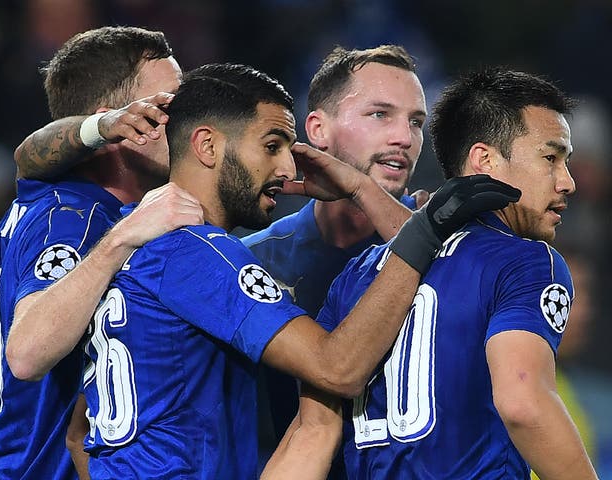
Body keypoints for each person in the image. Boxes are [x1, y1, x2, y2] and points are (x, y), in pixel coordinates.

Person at [79, 62, 519, 479]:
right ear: (208, 145)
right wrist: (424, 231)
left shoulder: (132, 236)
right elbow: (337, 368)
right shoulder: (203, 254)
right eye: (271, 146)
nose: (288, 168)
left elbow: (78, 429)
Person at [310, 67, 599, 479]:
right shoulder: (528, 261)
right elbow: (522, 403)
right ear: (485, 160)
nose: (567, 181)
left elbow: (310, 436)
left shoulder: (356, 275)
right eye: (550, 158)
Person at [0, 26, 203, 480]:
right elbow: (25, 353)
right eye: (168, 107)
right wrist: (121, 241)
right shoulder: (77, 222)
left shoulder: (41, 201)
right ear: (119, 124)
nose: (187, 121)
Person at [240, 45, 428, 469]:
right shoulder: (255, 262)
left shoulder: (454, 246)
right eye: (380, 115)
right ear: (318, 130)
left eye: (416, 122)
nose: (404, 137)